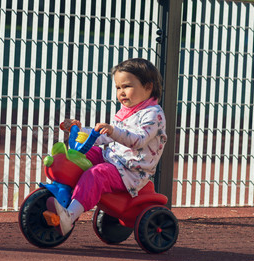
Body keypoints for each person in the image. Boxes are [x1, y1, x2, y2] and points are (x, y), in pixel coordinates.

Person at [47, 58, 167, 235]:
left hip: (130, 171)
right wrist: (81, 131)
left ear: (148, 87)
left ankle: (69, 216)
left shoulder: (154, 114)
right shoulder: (126, 112)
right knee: (79, 154)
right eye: (118, 88)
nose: (121, 92)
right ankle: (63, 194)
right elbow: (102, 138)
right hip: (113, 160)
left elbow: (138, 140)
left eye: (127, 86)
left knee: (96, 174)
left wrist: (112, 131)